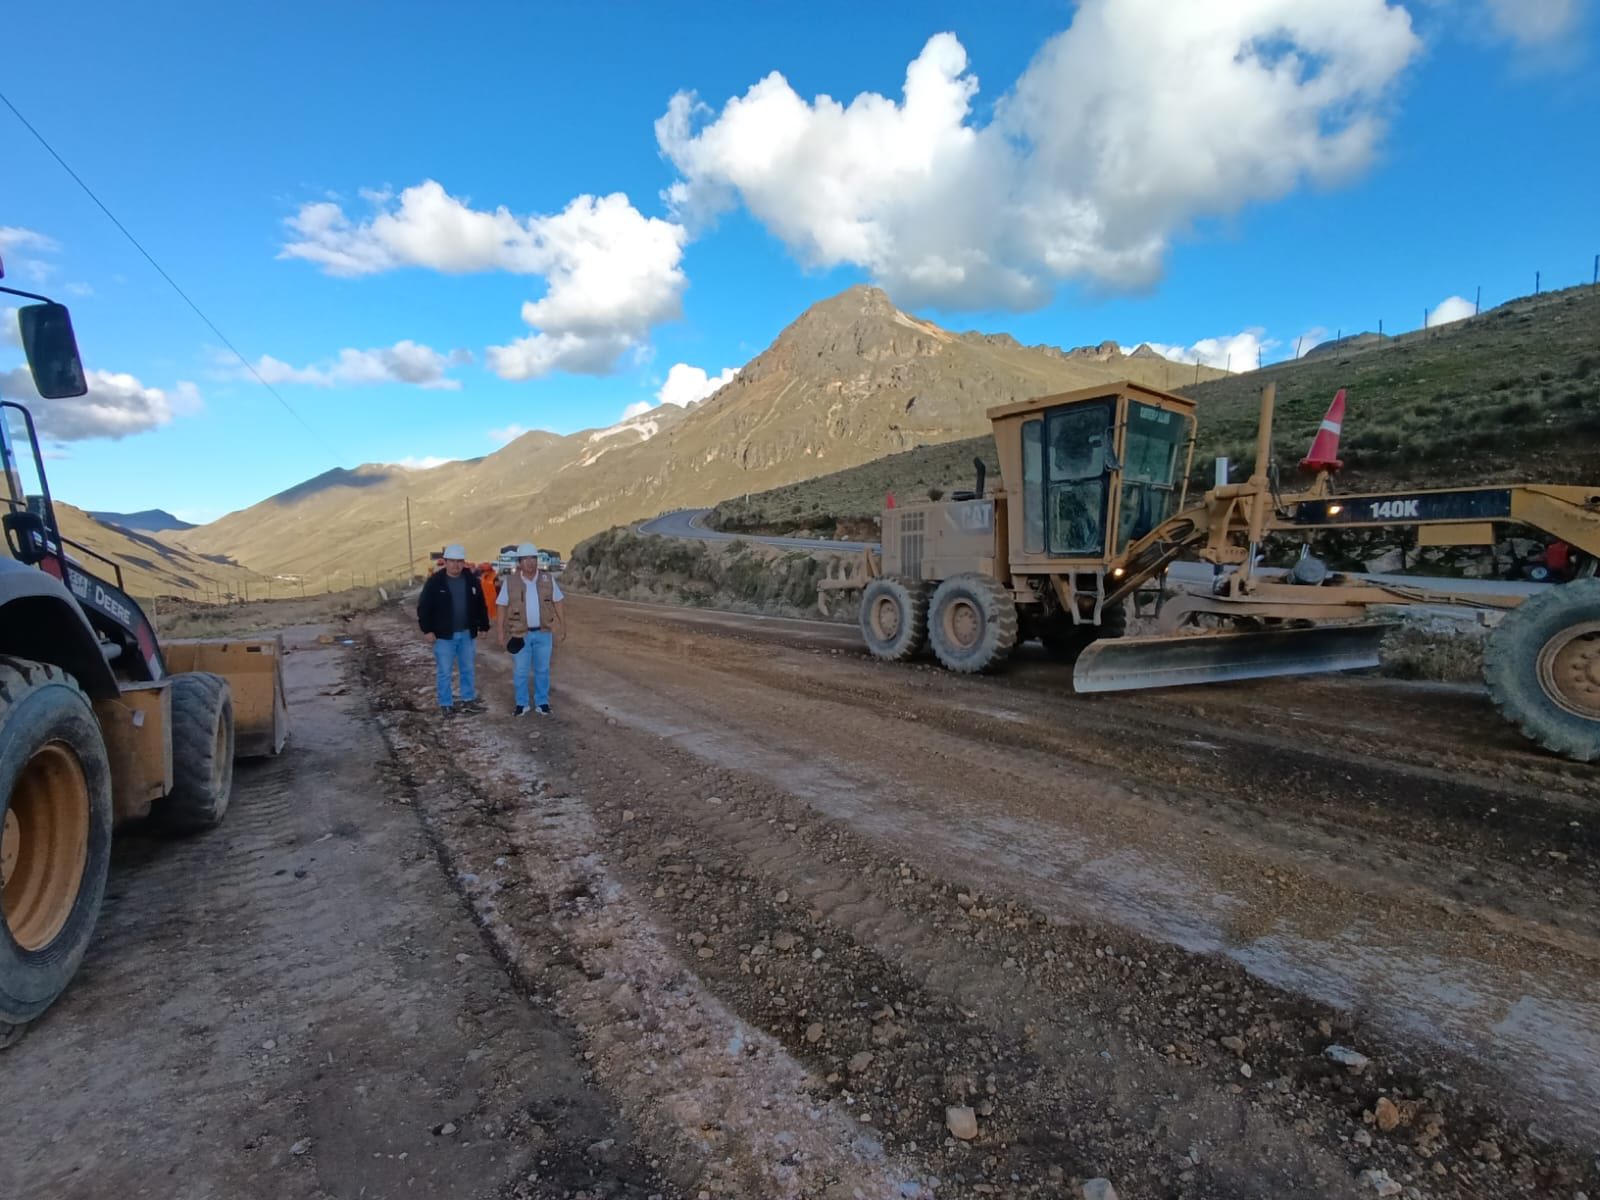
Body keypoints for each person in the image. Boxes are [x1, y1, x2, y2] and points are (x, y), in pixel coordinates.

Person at [416, 543, 490, 716]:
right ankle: (446, 704)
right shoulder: (435, 582)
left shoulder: (472, 581)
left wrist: (484, 625)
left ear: (463, 562)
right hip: (443, 637)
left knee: (467, 669)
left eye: (459, 561)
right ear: (446, 562)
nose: (456, 565)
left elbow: (481, 605)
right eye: (452, 561)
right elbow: (424, 607)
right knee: (444, 672)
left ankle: (468, 700)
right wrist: (427, 630)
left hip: (466, 634)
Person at [497, 541, 566, 716]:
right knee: (520, 671)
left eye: (533, 558)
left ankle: (542, 702)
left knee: (543, 670)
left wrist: (562, 624)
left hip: (544, 634)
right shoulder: (510, 582)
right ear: (519, 562)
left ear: (537, 560)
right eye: (525, 558)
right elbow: (501, 606)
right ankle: (522, 704)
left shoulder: (547, 579)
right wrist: (500, 632)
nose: (529, 562)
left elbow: (557, 601)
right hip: (520, 635)